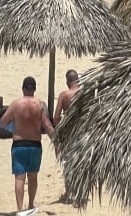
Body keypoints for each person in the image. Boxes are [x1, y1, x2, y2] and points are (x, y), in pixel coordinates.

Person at [0, 76, 54, 212]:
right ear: (34, 89)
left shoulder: (16, 104)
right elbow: (48, 126)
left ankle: (19, 209)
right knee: (33, 177)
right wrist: (56, 141)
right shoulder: (40, 105)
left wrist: (14, 125)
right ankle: (30, 205)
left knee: (19, 178)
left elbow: (3, 122)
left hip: (19, 144)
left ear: (23, 88)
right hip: (35, 145)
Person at [54, 70, 81, 205]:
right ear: (78, 80)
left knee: (68, 164)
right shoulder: (84, 93)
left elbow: (56, 117)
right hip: (82, 132)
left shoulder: (64, 95)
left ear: (67, 82)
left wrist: (60, 130)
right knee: (80, 163)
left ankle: (69, 193)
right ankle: (79, 193)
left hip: (68, 134)